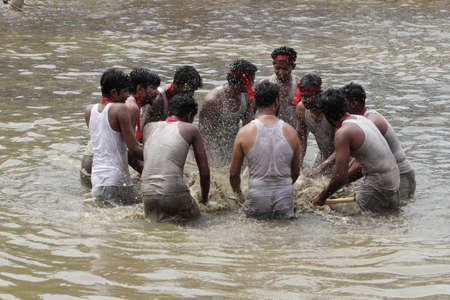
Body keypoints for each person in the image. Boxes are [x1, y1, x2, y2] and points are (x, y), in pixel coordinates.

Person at [311, 88, 400, 213]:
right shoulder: (361, 119)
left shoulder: (343, 133)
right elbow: (364, 165)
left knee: (351, 226)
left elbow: (340, 177)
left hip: (379, 184)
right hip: (393, 181)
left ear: (327, 115)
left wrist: (320, 197)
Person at [230, 82, 301, 219]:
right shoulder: (291, 132)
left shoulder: (244, 132)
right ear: (276, 101)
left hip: (257, 199)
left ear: (255, 101)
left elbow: (233, 174)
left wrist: (239, 195)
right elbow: (296, 172)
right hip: (284, 201)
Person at [141, 94, 210, 223]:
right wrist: (204, 200)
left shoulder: (148, 127)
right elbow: (204, 172)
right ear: (189, 116)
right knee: (200, 222)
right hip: (172, 193)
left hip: (147, 194)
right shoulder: (191, 129)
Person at [342, 82, 415, 200]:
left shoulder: (371, 121)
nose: (341, 107)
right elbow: (357, 160)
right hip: (389, 176)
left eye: (343, 102)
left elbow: (359, 165)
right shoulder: (360, 121)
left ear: (354, 103)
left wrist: (337, 184)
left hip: (400, 176)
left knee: (395, 215)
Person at [84, 68, 143, 205]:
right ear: (113, 92)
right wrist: (159, 157)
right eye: (125, 92)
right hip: (116, 181)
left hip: (97, 180)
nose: (128, 96)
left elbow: (108, 142)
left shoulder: (89, 110)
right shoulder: (119, 109)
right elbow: (133, 149)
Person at [199, 59, 257, 165]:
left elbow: (248, 128)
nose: (252, 84)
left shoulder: (247, 97)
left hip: (234, 143)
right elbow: (204, 135)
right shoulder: (212, 101)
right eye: (251, 81)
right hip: (214, 146)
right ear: (242, 82)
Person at [296, 74, 335, 176]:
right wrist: (298, 164)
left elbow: (345, 144)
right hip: (324, 155)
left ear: (319, 94)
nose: (304, 100)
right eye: (302, 96)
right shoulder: (301, 109)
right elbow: (301, 137)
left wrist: (321, 168)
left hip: (344, 156)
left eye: (308, 96)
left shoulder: (331, 109)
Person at [255, 46, 301, 128]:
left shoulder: (300, 85)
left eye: (285, 69)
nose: (281, 72)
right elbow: (253, 112)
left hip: (293, 133)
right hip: (269, 131)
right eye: (277, 68)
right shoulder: (263, 84)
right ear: (273, 64)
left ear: (293, 66)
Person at [127, 68, 161, 142]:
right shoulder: (131, 107)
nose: (157, 92)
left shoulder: (135, 104)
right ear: (140, 89)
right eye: (153, 88)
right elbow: (130, 148)